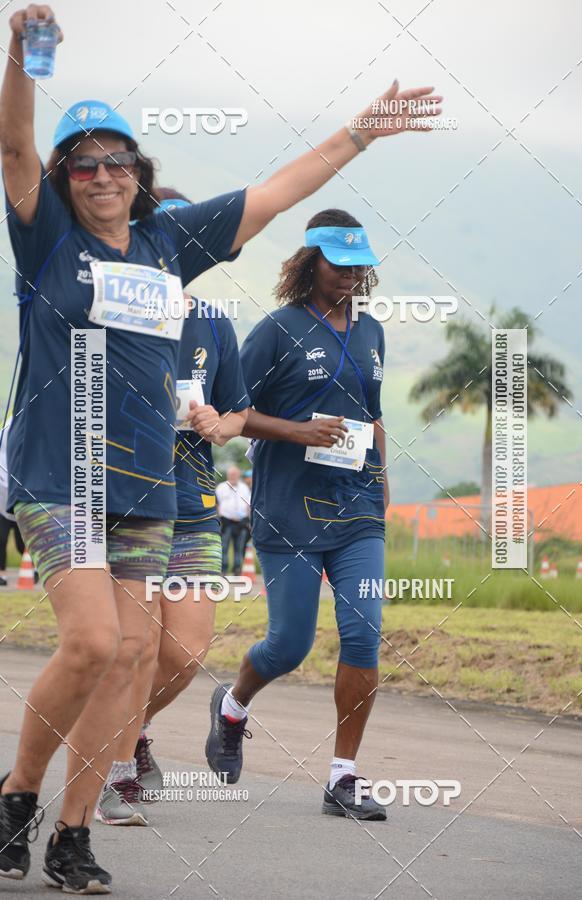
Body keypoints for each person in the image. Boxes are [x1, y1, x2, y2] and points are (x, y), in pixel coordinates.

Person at [0, 6, 441, 889]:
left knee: (131, 658)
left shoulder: (170, 242)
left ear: (137, 172)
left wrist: (361, 133)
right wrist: (20, 59)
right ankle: (17, 797)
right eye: (81, 163)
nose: (99, 174)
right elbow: (14, 150)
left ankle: (72, 835)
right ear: (63, 178)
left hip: (146, 489)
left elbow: (278, 191)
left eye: (115, 160)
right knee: (92, 644)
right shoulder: (47, 241)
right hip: (60, 478)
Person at [205, 209, 391, 821]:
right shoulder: (276, 331)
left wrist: (382, 480)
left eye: (359, 268)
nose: (350, 278)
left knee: (364, 633)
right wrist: (298, 431)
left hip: (358, 508)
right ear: (310, 262)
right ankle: (233, 706)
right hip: (288, 508)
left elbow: (373, 412)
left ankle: (344, 777)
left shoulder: (371, 332)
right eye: (340, 267)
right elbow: (231, 411)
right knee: (289, 645)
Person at [94, 193, 249, 826]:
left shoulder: (215, 322)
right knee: (135, 647)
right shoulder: (106, 312)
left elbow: (239, 410)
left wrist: (220, 420)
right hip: (125, 502)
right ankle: (116, 771)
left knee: (183, 654)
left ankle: (126, 733)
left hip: (194, 505)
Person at [216, 465, 251, 574]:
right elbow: (217, 504)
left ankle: (237, 569)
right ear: (228, 475)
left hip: (241, 522)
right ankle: (224, 570)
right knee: (224, 547)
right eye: (231, 474)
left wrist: (247, 519)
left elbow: (248, 504)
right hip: (226, 521)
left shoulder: (244, 487)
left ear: (238, 474)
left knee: (239, 548)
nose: (233, 476)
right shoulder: (221, 487)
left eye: (235, 474)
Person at [0, 512, 25, 586]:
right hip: (3, 511)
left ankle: (33, 568)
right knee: (1, 540)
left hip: (17, 511)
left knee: (21, 545)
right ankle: (2, 574)